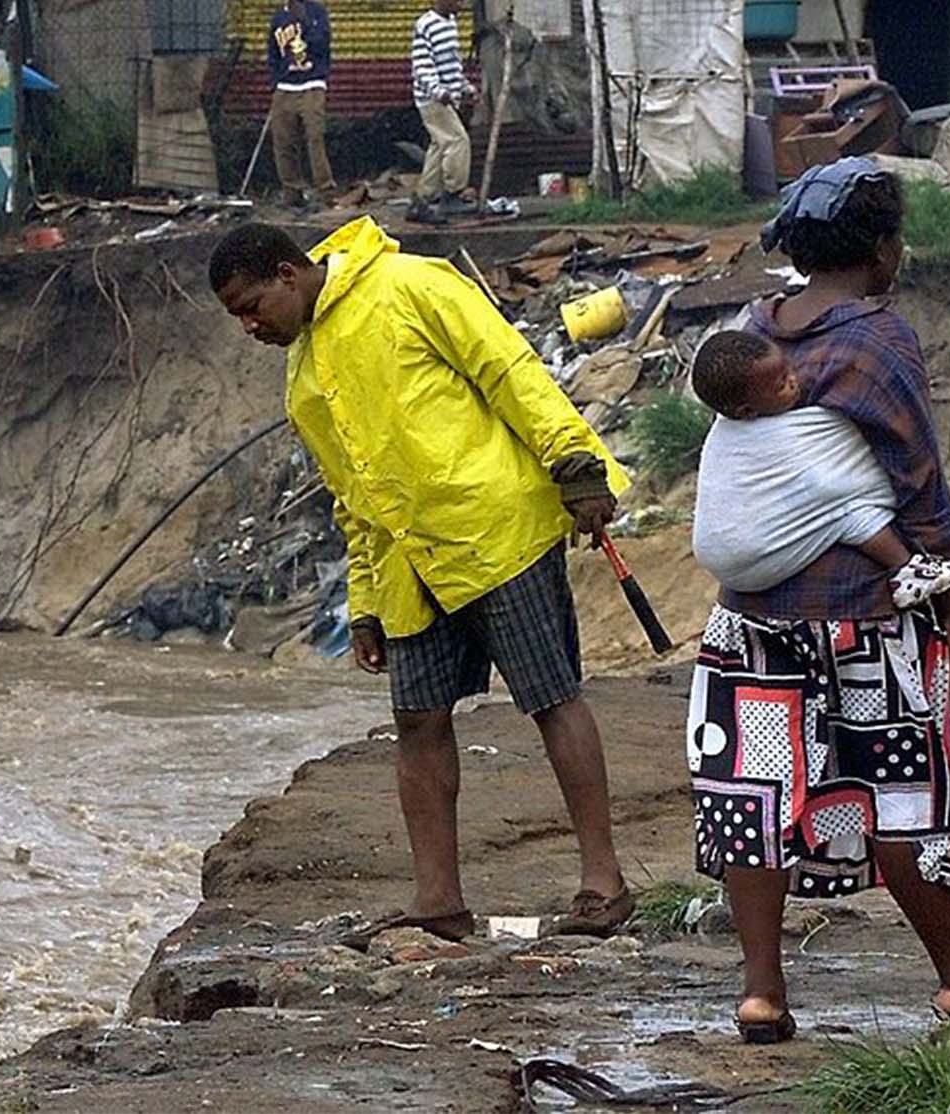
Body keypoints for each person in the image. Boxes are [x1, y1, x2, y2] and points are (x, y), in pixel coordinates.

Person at [209, 217, 637, 942]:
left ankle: (605, 884)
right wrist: (366, 602)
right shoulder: (305, 377)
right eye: (238, 317)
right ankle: (439, 902)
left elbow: (509, 369)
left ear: (288, 274)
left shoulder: (412, 284)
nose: (250, 325)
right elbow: (354, 497)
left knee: (551, 698)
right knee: (418, 722)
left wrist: (574, 462)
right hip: (411, 564)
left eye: (252, 306)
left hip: (496, 529)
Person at [684, 158, 950, 1046]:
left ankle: (761, 993)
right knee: (901, 796)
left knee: (755, 798)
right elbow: (918, 481)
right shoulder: (874, 338)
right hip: (862, 617)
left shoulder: (753, 331)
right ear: (880, 247)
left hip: (746, 621)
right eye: (897, 236)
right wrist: (947, 605)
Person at [688, 329, 950, 609]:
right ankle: (905, 569)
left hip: (723, 560)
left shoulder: (755, 414)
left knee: (832, 504)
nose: (794, 380)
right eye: (781, 384)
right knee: (847, 511)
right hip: (752, 558)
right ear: (746, 412)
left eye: (790, 369)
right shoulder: (736, 436)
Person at [408, 0, 473, 226]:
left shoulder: (450, 23)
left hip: (445, 96)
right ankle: (453, 193)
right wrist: (438, 91)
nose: (462, 4)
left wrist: (465, 87)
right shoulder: (426, 25)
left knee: (439, 145)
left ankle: (423, 199)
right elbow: (422, 66)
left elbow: (452, 64)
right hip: (433, 99)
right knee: (458, 141)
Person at [268, 0, 336, 208]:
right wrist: (276, 81)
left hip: (312, 84)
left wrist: (303, 20)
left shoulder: (317, 12)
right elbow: (273, 52)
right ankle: (292, 191)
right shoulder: (278, 18)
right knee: (283, 141)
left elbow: (322, 44)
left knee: (315, 137)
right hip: (285, 87)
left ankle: (325, 191)